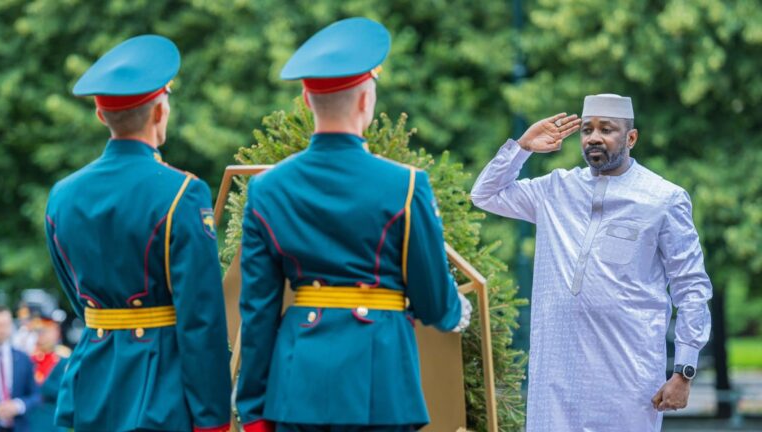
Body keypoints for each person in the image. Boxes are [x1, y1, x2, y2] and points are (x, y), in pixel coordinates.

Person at [235, 17, 472, 432]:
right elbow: (433, 300)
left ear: (306, 102)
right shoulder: (405, 185)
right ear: (366, 102)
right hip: (381, 383)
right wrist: (455, 311)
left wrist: (253, 409)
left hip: (297, 386)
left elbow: (257, 310)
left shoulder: (267, 189)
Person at [471, 94, 713, 431]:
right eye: (587, 129)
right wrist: (522, 148)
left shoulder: (663, 199)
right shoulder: (554, 190)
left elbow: (691, 287)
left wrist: (684, 371)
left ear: (631, 138)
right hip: (555, 375)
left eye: (606, 129)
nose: (593, 137)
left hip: (628, 377)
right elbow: (485, 194)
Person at [44, 35, 231, 432]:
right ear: (161, 110)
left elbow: (77, 296)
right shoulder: (182, 192)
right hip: (160, 386)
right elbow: (201, 319)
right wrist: (212, 417)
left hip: (88, 382)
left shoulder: (62, 194)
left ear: (100, 116)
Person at [0, 306, 39, 432]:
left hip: (19, 427)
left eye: (5, 325)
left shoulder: (23, 358)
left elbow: (35, 395)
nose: (1, 330)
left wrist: (18, 406)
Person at [27, 319, 69, 432]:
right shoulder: (29, 359)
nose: (41, 335)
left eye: (46, 331)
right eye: (39, 332)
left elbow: (63, 390)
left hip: (53, 421)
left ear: (57, 332)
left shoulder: (63, 359)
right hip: (30, 421)